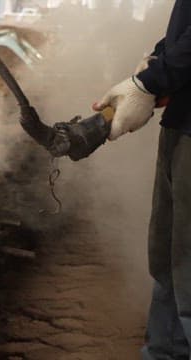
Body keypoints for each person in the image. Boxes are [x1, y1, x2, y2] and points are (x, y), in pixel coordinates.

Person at [93, 1, 191, 358]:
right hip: (182, 126)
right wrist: (157, 59)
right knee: (168, 260)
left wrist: (150, 81)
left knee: (188, 268)